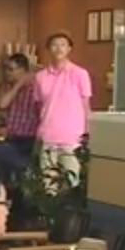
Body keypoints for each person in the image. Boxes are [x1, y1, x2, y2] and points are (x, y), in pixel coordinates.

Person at [33, 32, 92, 175]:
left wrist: (88, 133)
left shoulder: (80, 74)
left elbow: (86, 106)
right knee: (48, 183)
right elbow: (39, 106)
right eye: (54, 45)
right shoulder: (40, 77)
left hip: (73, 138)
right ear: (48, 49)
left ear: (69, 49)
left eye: (63, 45)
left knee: (72, 181)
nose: (59, 48)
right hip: (48, 137)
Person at [0, 53, 40, 159]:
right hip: (10, 137)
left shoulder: (35, 87)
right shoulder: (9, 87)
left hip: (27, 139)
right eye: (6, 69)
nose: (7, 73)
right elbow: (2, 104)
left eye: (11, 69)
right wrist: (18, 85)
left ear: (22, 70)